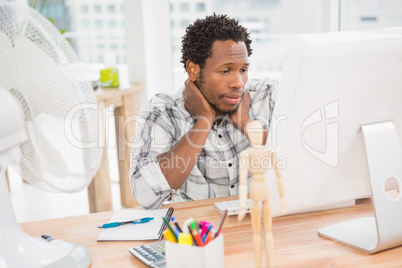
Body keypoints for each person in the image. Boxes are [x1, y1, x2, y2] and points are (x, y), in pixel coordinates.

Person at [130, 13, 278, 210]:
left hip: (261, 225)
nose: (238, 83)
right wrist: (203, 122)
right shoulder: (163, 111)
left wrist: (245, 122)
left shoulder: (267, 95)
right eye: (225, 71)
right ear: (193, 70)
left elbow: (303, 162)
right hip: (199, 232)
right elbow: (145, 195)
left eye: (243, 70)